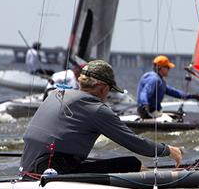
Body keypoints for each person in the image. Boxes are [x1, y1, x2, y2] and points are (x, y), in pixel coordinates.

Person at [20, 60, 182, 176]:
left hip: (27, 169)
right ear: (104, 88)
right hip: (54, 173)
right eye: (110, 89)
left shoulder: (55, 94)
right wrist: (167, 150)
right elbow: (134, 143)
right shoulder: (97, 109)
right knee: (132, 163)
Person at [136, 55, 199, 119]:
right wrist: (144, 106)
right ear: (160, 67)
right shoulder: (154, 79)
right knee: (174, 118)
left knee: (175, 115)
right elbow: (144, 92)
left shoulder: (160, 80)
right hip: (147, 112)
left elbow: (174, 92)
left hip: (152, 111)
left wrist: (192, 96)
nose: (169, 69)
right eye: (167, 67)